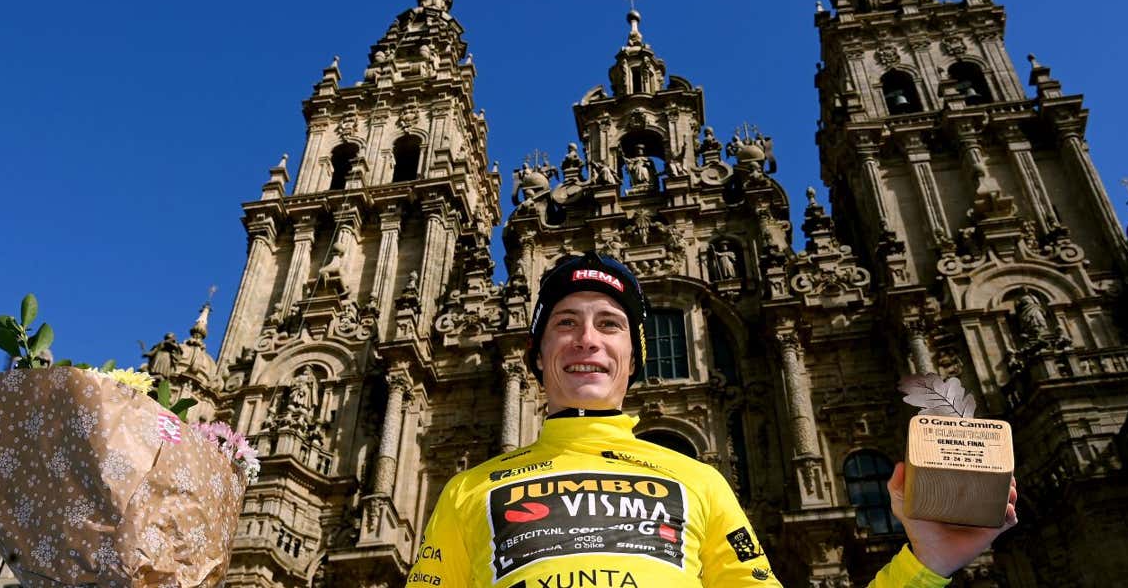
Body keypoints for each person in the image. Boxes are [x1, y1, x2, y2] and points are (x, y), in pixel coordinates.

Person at [408, 252, 1017, 587]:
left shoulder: (702, 484)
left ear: (634, 359)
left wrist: (926, 563)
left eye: (610, 325)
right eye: (564, 323)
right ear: (537, 357)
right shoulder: (466, 491)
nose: (586, 340)